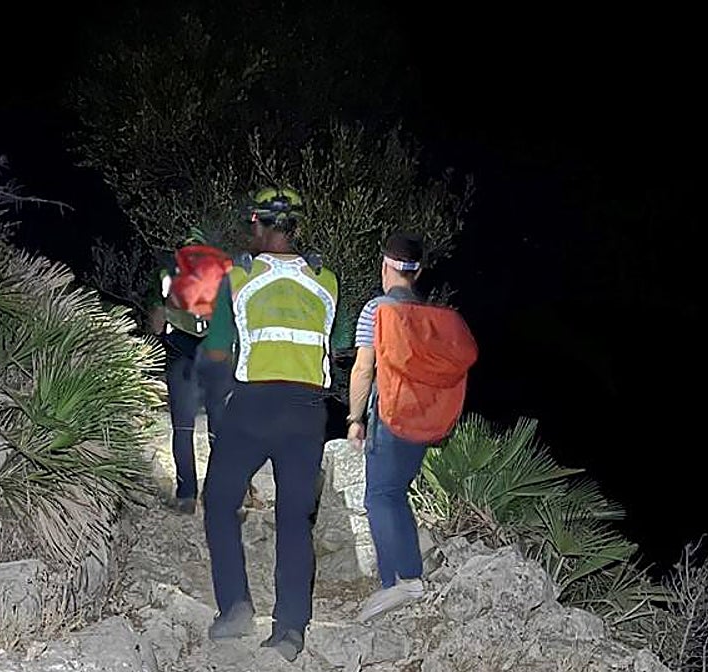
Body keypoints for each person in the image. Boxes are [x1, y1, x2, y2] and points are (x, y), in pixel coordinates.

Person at [199, 187, 338, 662]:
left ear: (258, 223)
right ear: (296, 226)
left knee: (219, 500)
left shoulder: (238, 276)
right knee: (294, 517)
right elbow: (335, 343)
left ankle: (235, 607)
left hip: (254, 406)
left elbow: (218, 348)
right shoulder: (328, 281)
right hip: (307, 410)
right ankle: (290, 629)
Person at [347, 232, 477, 622]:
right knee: (394, 493)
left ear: (385, 265)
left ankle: (398, 583)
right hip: (423, 419)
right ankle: (410, 577)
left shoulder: (378, 310)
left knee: (379, 497)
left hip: (390, 418)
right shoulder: (428, 319)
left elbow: (362, 369)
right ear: (416, 271)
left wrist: (355, 420)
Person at [148, 230, 235, 514]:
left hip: (181, 357)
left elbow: (157, 323)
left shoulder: (167, 273)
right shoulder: (225, 274)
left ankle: (186, 495)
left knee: (183, 428)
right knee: (219, 430)